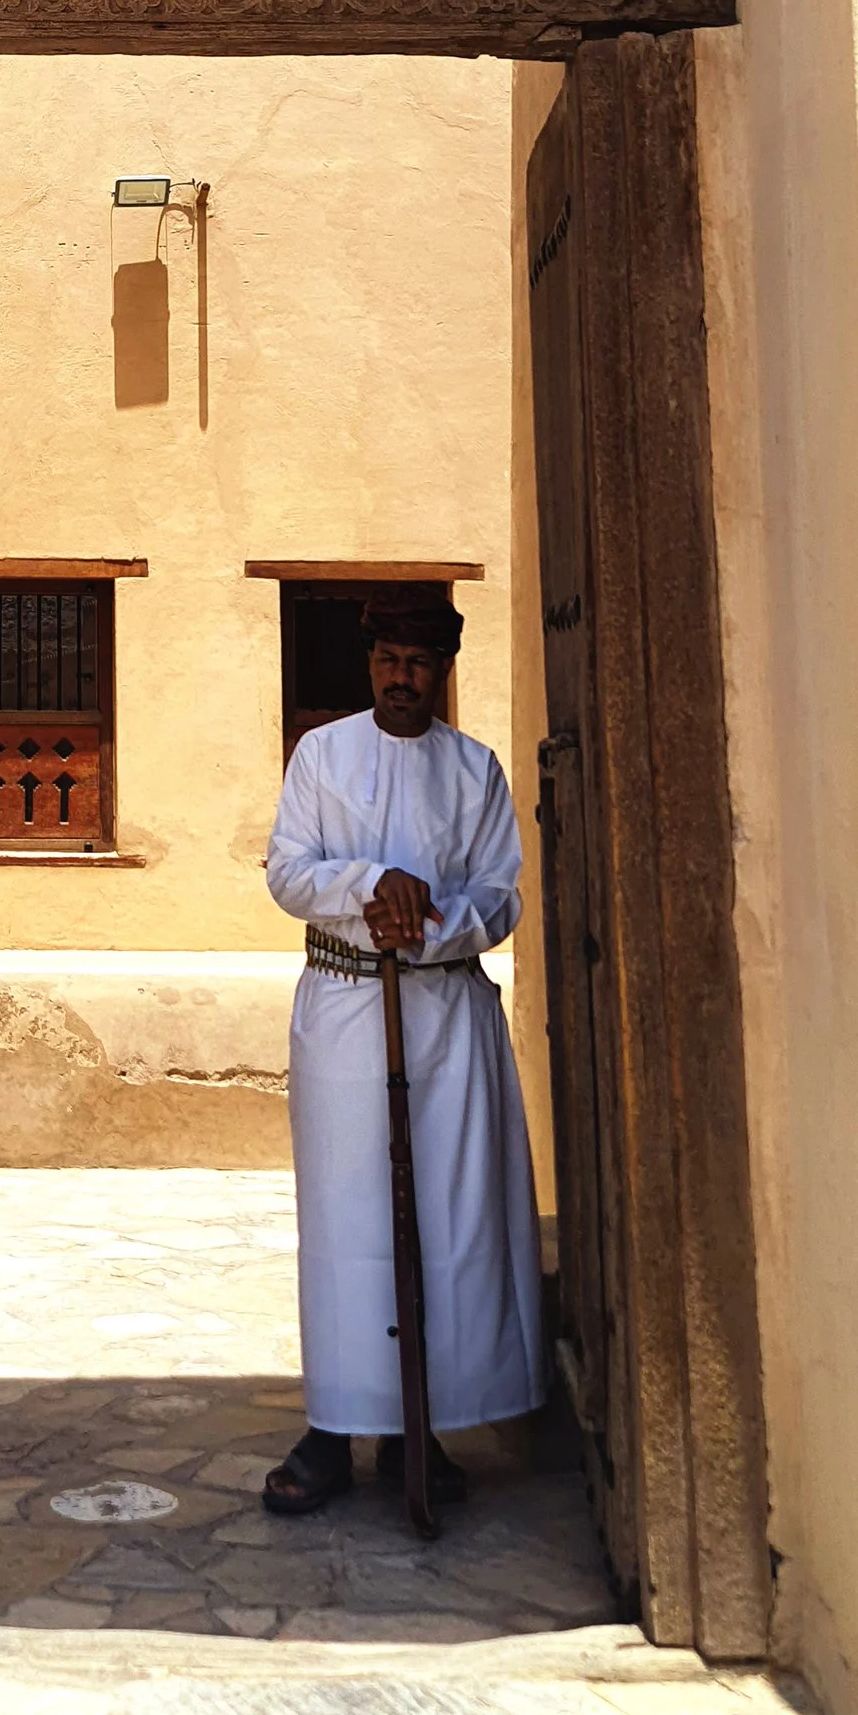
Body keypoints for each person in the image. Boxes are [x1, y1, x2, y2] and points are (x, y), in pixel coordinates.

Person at [260, 593, 541, 1513]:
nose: (401, 675)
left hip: (445, 1016)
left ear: (443, 668)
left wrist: (426, 924)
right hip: (344, 1011)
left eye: (419, 661)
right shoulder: (323, 755)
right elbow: (289, 871)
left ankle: (427, 1422)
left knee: (448, 1219)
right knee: (349, 1221)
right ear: (369, 660)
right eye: (388, 656)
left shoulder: (476, 772)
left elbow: (501, 895)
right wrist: (369, 886)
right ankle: (336, 1427)